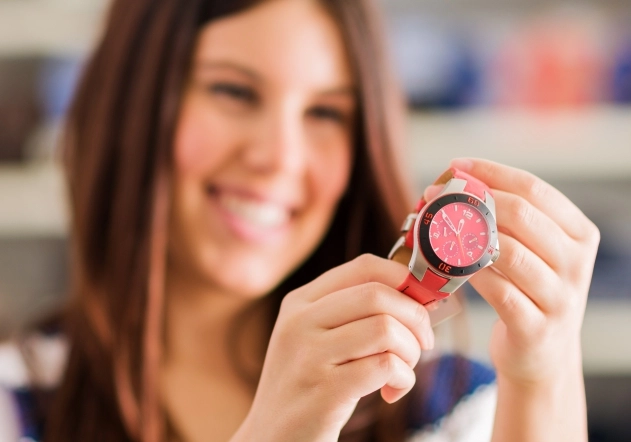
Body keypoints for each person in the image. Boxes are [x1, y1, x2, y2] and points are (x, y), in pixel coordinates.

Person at [0, 0, 600, 441]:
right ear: (131, 106)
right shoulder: (16, 401)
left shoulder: (443, 401)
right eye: (233, 92)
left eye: (326, 112)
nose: (280, 157)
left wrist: (543, 376)